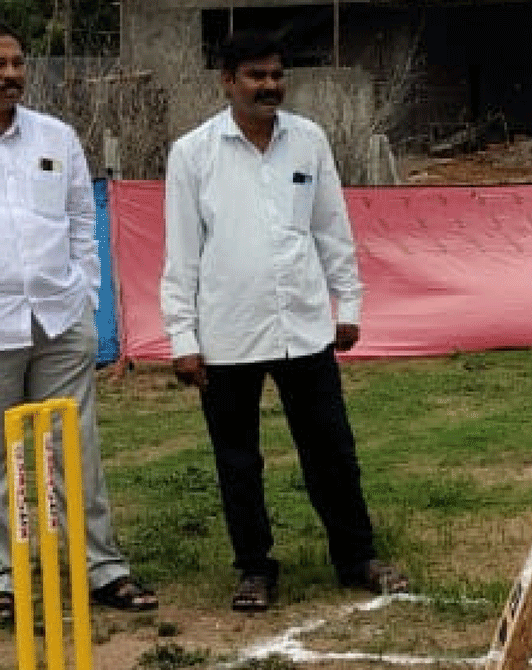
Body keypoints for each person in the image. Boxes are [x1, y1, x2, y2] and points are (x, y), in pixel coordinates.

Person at [160, 31, 408, 612]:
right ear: (227, 81)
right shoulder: (193, 153)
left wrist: (347, 306)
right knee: (238, 459)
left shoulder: (308, 140)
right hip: (227, 333)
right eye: (254, 76)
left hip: (302, 325)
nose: (269, 85)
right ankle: (254, 569)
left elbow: (331, 229)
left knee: (331, 450)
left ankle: (356, 557)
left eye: (276, 74)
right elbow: (182, 257)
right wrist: (183, 338)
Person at [0, 21, 157, 625]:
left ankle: (100, 566)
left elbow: (83, 222)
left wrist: (85, 299)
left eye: (19, 64)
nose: (11, 75)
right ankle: (3, 578)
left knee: (72, 450)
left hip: (57, 322)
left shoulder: (57, 136)